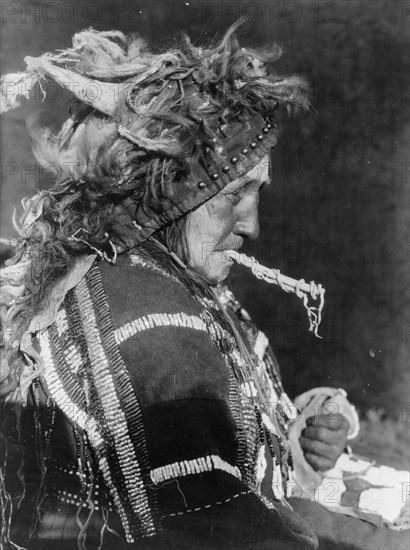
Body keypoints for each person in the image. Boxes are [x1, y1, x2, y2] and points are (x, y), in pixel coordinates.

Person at [0, 23, 408, 550]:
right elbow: (226, 526)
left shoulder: (153, 274)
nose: (252, 225)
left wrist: (294, 437)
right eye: (237, 192)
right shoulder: (150, 323)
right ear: (170, 188)